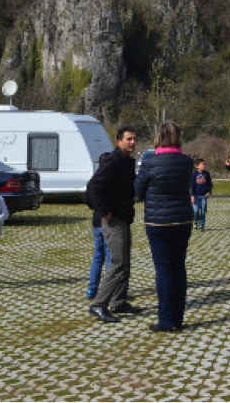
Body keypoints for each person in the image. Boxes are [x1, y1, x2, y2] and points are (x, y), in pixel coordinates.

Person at [135, 122, 194, 332]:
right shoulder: (188, 162)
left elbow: (138, 191)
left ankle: (166, 320)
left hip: (157, 221)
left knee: (163, 270)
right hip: (182, 219)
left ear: (158, 137)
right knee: (179, 268)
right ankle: (178, 318)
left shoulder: (149, 162)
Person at [88, 126, 144, 323]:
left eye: (134, 139)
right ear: (118, 141)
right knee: (118, 262)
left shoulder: (127, 161)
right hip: (113, 220)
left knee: (125, 262)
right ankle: (99, 304)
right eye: (128, 139)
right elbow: (94, 186)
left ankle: (119, 301)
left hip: (124, 217)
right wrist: (105, 212)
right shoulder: (112, 161)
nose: (132, 142)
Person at [83, 152, 112, 299]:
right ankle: (109, 291)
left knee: (98, 256)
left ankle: (92, 289)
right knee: (110, 257)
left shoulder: (92, 181)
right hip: (107, 221)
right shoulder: (108, 181)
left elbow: (86, 199)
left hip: (96, 220)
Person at [191, 158, 213, 231]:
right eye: (202, 164)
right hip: (196, 196)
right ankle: (195, 220)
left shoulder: (207, 174)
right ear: (197, 166)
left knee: (203, 211)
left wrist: (209, 192)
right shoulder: (195, 174)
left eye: (204, 164)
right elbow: (192, 185)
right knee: (196, 211)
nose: (203, 166)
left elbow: (210, 184)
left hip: (204, 196)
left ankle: (201, 225)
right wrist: (192, 195)